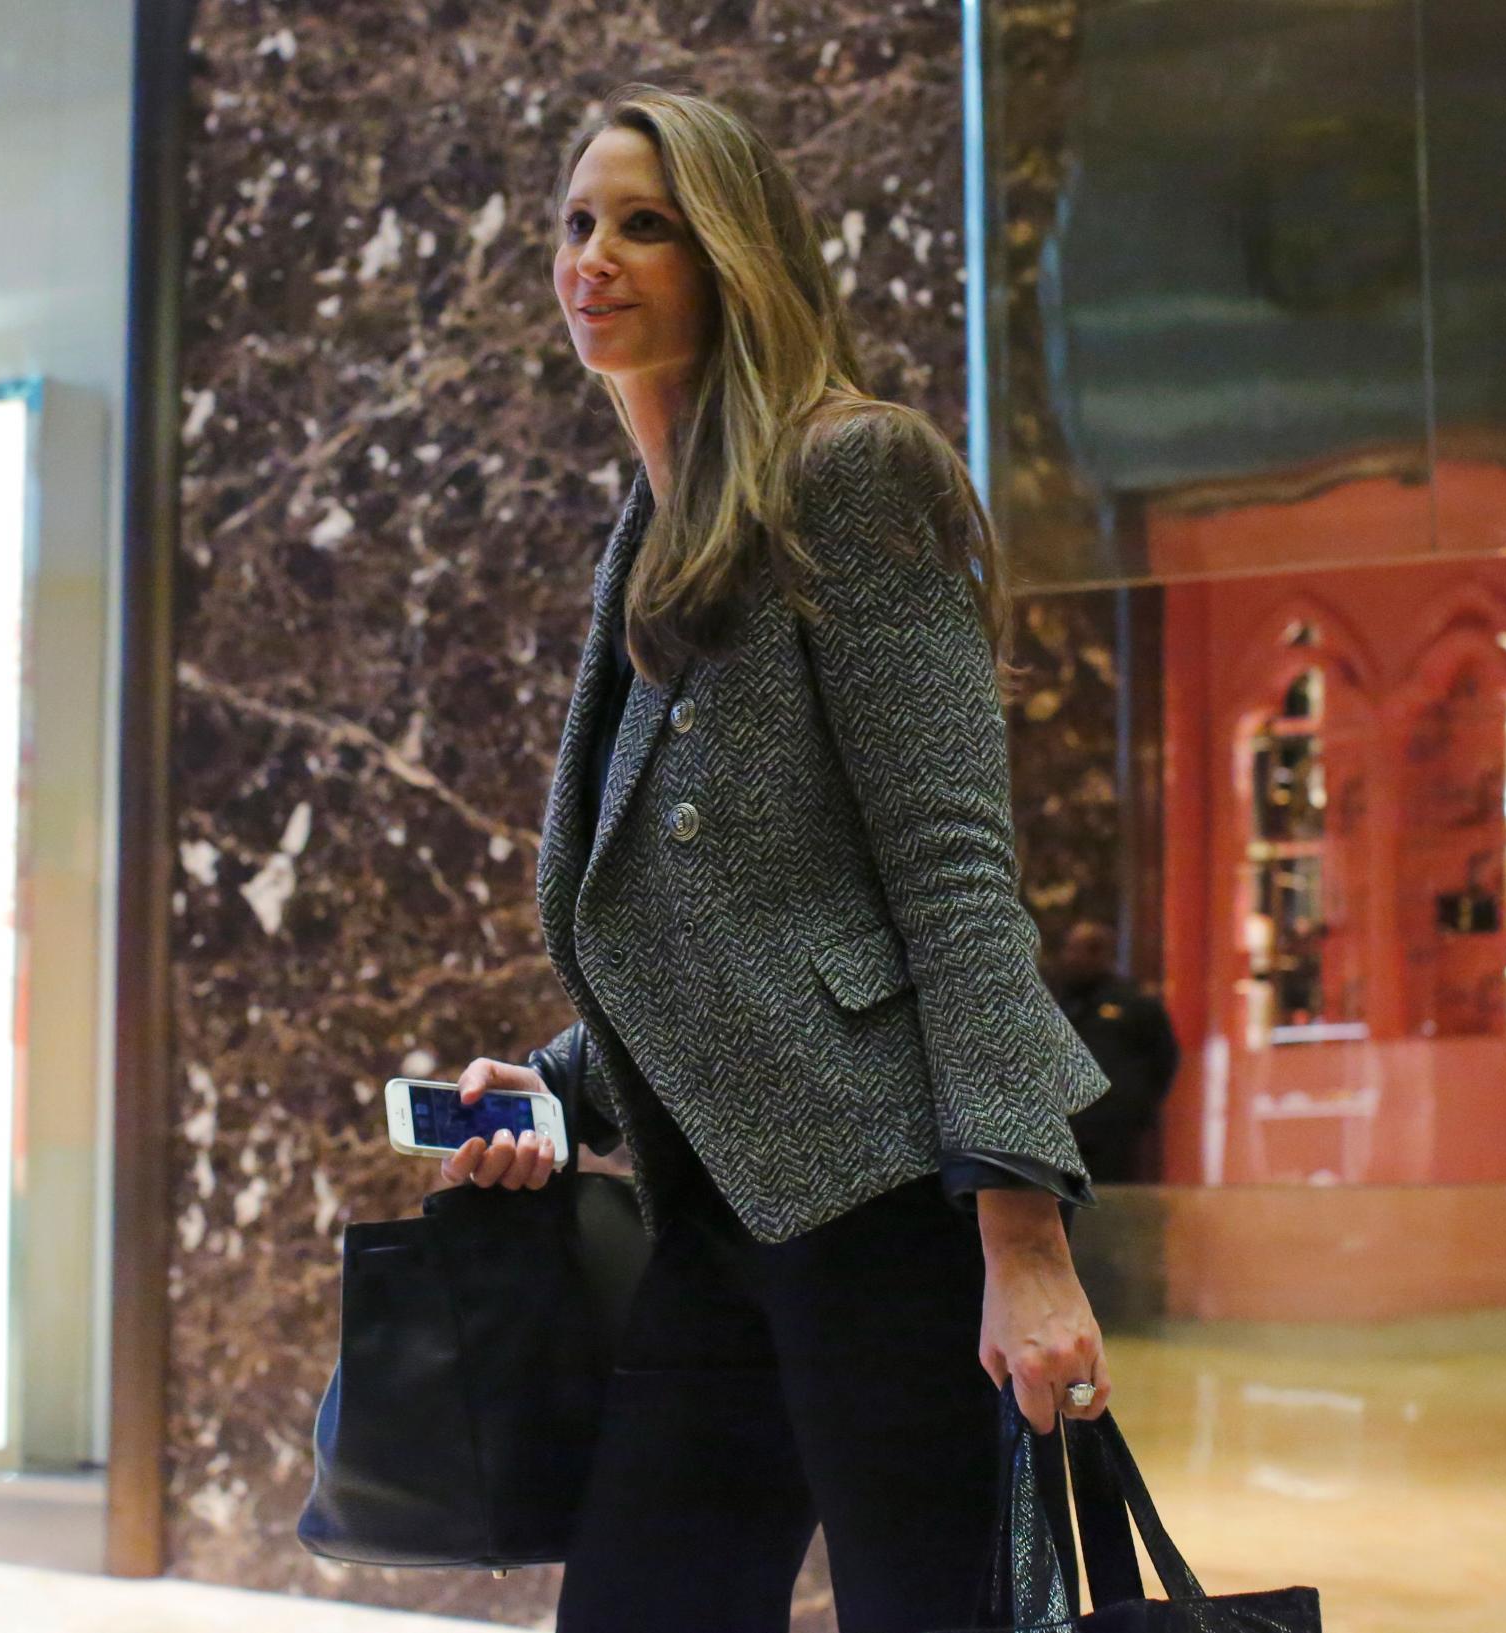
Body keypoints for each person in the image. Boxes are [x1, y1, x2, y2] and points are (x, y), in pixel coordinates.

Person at [427, 86, 1113, 1633]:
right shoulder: (654, 531)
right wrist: (556, 1081)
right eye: (578, 223)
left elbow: (948, 870)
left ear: (738, 255)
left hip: (889, 1217)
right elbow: (720, 911)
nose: (593, 257)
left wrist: (1027, 1242)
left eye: (645, 225)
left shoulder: (853, 472)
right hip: (724, 1217)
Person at [1048, 920, 1181, 1184]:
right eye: (1069, 950)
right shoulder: (1060, 1003)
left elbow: (1164, 1059)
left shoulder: (1135, 1004)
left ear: (1101, 954)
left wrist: (1136, 1105)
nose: (1070, 959)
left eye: (1078, 951)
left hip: (1114, 1129)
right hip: (1065, 1126)